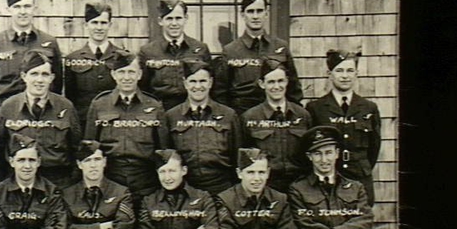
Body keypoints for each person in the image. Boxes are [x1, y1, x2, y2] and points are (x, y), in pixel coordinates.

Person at [0, 49, 82, 189]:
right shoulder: (8, 107)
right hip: (19, 183)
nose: (39, 80)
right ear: (24, 76)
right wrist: (5, 185)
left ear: (51, 78)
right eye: (34, 74)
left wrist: (69, 185)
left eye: (45, 74)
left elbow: (77, 148)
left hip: (57, 182)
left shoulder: (65, 107)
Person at [85, 50, 169, 201]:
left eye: (131, 72)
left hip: (145, 178)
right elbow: (90, 147)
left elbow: (163, 149)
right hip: (111, 176)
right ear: (113, 75)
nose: (127, 77)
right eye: (121, 72)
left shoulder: (154, 105)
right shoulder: (99, 105)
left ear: (139, 75)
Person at [305, 50, 382, 206]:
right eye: (339, 70)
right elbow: (310, 146)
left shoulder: (369, 108)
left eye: (350, 70)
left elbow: (374, 147)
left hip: (360, 177)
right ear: (329, 74)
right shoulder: (316, 108)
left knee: (361, 217)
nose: (345, 76)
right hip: (330, 176)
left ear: (356, 73)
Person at [213, 0, 303, 114]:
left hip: (275, 115)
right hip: (242, 115)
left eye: (259, 11)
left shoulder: (280, 47)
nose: (255, 16)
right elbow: (220, 93)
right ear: (243, 15)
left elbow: (294, 89)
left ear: (266, 13)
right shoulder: (231, 51)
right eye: (250, 11)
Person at [0, 0, 63, 112]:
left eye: (27, 6)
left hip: (42, 112)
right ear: (9, 10)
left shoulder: (49, 42)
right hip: (7, 112)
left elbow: (57, 83)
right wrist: (3, 110)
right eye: (17, 7)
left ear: (34, 8)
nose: (22, 11)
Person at [165, 59, 242, 195]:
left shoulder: (228, 115)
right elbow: (167, 155)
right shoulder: (172, 116)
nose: (198, 86)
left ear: (210, 83)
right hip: (186, 189)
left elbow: (238, 156)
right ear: (185, 83)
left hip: (221, 187)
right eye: (193, 81)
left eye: (203, 81)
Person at [240, 59, 313, 193]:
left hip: (300, 184)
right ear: (262, 84)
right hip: (267, 186)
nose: (276, 86)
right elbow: (244, 157)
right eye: (271, 82)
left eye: (280, 81)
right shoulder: (250, 117)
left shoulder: (302, 115)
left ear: (287, 81)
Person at [139, 0, 212, 111]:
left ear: (185, 19)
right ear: (160, 21)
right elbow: (143, 89)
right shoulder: (148, 51)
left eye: (178, 18)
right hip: (161, 110)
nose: (174, 23)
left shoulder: (200, 48)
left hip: (191, 110)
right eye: (169, 18)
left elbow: (211, 85)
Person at [64, 1, 119, 130]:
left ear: (110, 25)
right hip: (83, 122)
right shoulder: (73, 58)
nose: (99, 27)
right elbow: (70, 96)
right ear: (86, 25)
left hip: (113, 122)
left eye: (103, 23)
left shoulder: (121, 57)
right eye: (94, 22)